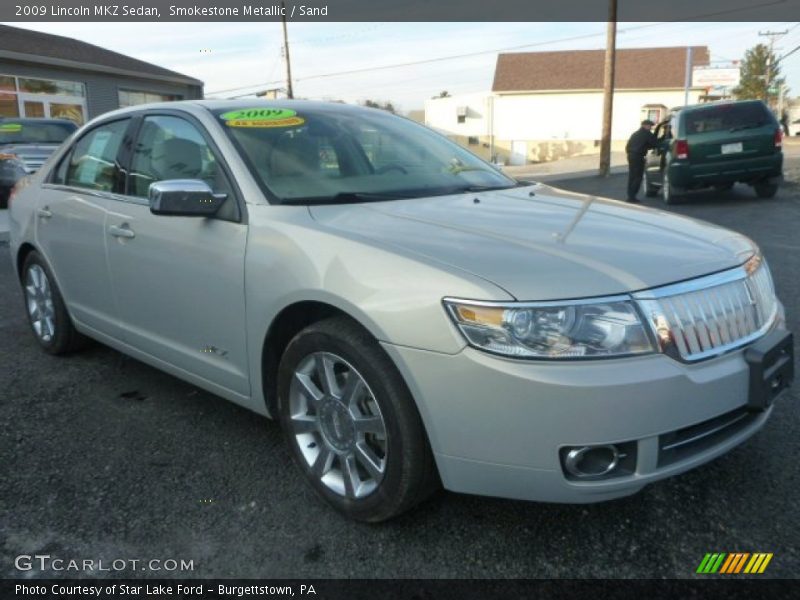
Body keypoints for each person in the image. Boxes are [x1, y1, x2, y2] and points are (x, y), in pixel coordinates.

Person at [625, 119, 657, 203]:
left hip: (631, 156)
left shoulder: (635, 134)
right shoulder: (647, 134)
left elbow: (627, 146)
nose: (651, 128)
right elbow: (655, 144)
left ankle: (630, 195)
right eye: (650, 126)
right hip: (638, 156)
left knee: (632, 176)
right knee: (638, 176)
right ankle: (632, 197)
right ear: (645, 125)